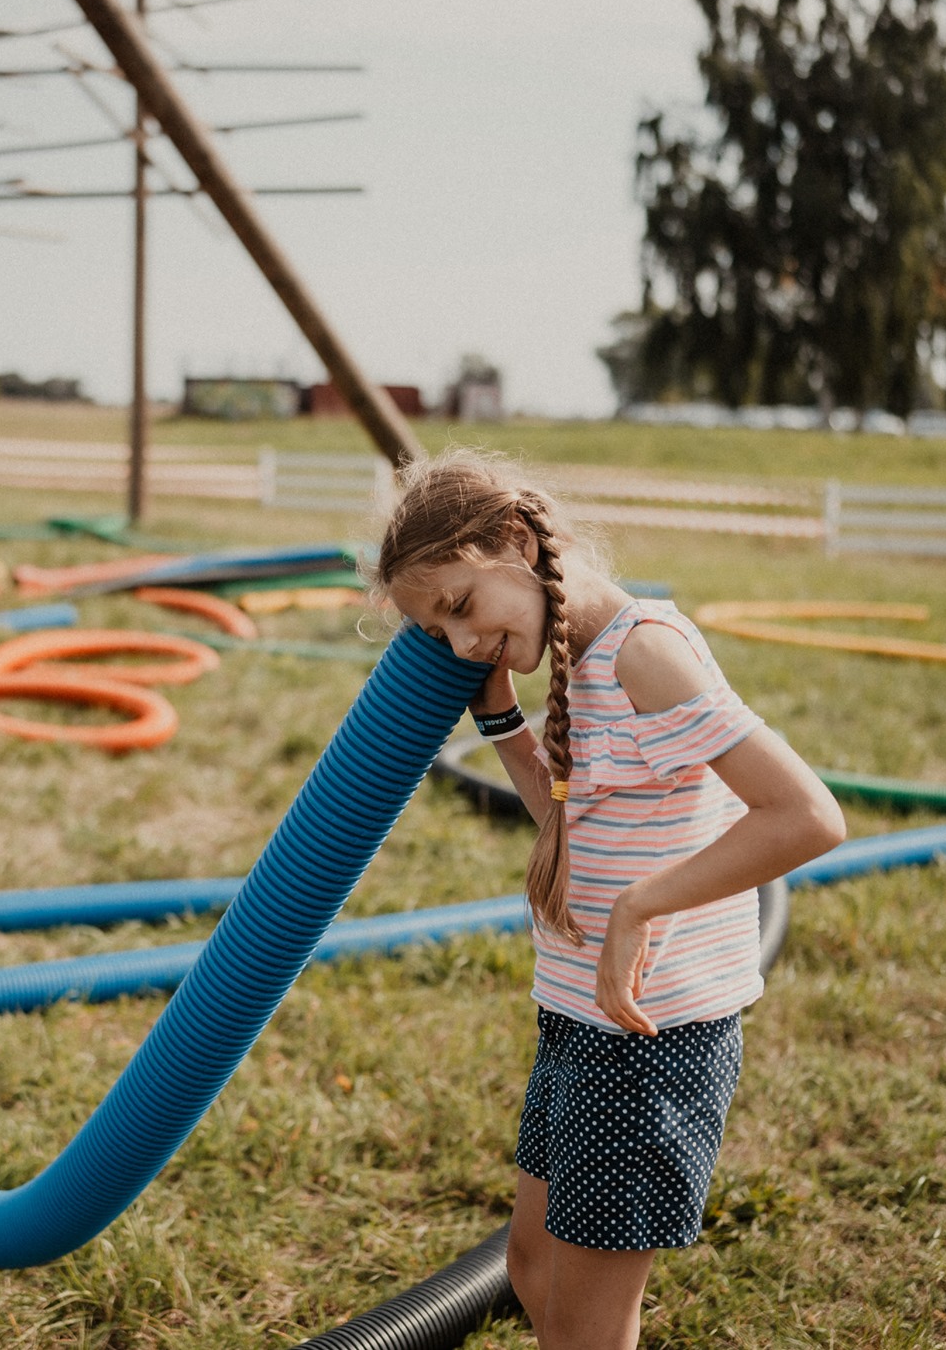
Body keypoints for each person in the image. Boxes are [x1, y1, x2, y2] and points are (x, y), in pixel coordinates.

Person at [375, 452, 844, 1350]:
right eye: (441, 629)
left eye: (463, 605)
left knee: (587, 1328)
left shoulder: (643, 654)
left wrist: (642, 905)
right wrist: (504, 720)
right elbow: (570, 812)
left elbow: (808, 815)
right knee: (528, 1270)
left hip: (649, 1043)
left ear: (514, 541)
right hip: (575, 1020)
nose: (464, 642)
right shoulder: (575, 662)